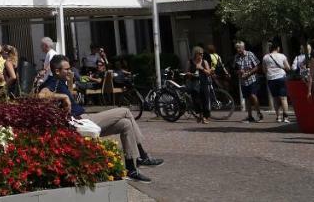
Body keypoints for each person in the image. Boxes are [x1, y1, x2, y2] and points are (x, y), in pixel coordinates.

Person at [38, 55, 160, 183]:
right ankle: (143, 156)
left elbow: (68, 97)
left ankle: (131, 169)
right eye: (67, 69)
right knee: (126, 111)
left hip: (84, 120)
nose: (70, 71)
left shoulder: (59, 81)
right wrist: (63, 96)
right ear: (57, 71)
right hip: (81, 120)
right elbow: (41, 95)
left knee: (126, 124)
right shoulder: (51, 82)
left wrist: (68, 86)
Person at [261, 39, 292, 124]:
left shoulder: (265, 57)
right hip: (281, 77)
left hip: (271, 79)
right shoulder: (282, 56)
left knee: (275, 98)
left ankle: (278, 117)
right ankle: (285, 117)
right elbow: (288, 67)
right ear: (278, 48)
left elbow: (264, 70)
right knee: (283, 98)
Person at [232, 40, 262, 122]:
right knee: (247, 98)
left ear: (243, 47)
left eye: (239, 48)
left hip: (252, 79)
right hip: (242, 80)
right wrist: (239, 72)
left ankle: (259, 113)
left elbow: (257, 66)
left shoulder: (250, 54)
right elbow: (234, 69)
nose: (238, 50)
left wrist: (249, 73)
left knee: (253, 95)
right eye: (237, 48)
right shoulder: (236, 57)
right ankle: (250, 116)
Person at [189, 46, 214, 123]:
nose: (201, 55)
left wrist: (201, 68)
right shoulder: (190, 62)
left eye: (202, 54)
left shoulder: (204, 62)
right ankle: (200, 115)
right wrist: (189, 74)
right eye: (200, 54)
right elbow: (187, 72)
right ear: (195, 54)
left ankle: (205, 117)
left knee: (205, 100)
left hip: (203, 82)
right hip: (194, 83)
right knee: (196, 100)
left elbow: (209, 73)